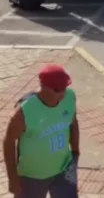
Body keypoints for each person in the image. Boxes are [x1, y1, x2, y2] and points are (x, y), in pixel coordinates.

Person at [3, 64, 79, 198]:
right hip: (32, 176)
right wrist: (12, 178)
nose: (62, 93)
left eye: (64, 88)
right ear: (43, 87)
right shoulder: (24, 110)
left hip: (64, 168)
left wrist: (75, 153)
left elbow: (73, 123)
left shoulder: (69, 97)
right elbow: (8, 142)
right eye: (57, 90)